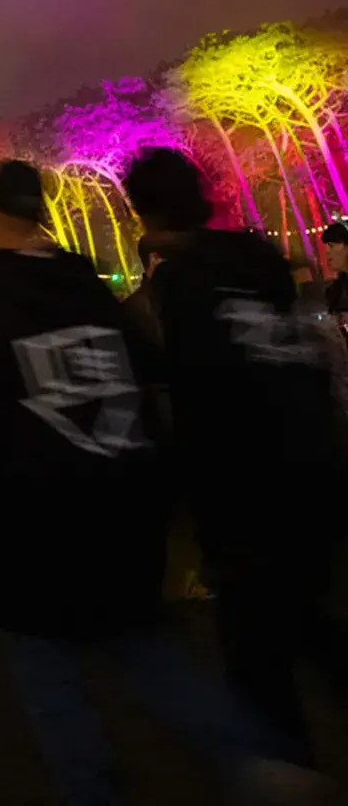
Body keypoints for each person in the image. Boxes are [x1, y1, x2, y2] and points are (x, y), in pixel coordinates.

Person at [0, 158, 324, 806]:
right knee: (151, 655)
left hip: (28, 531)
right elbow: (148, 380)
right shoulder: (88, 291)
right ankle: (256, 760)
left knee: (52, 684)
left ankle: (96, 793)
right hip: (122, 513)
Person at [125, 146, 348, 765]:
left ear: (141, 213)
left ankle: (289, 772)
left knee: (257, 658)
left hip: (242, 487)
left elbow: (180, 393)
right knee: (312, 617)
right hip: (314, 464)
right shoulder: (254, 256)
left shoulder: (175, 289)